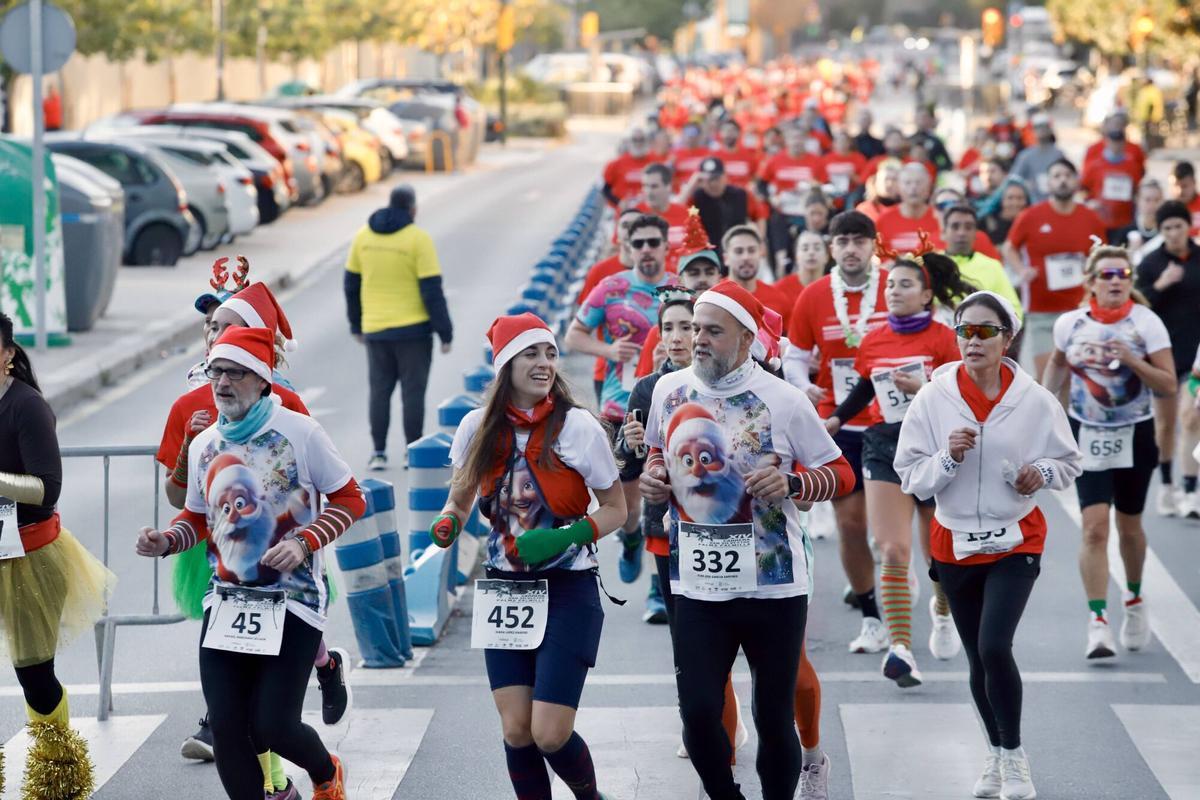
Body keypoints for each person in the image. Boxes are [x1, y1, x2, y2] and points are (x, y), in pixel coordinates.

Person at [641, 280, 856, 800]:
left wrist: (795, 482)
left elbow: (842, 473)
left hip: (773, 585)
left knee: (771, 712)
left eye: (713, 331)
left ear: (745, 337)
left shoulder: (783, 400)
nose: (698, 340)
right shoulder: (669, 391)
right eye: (695, 329)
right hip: (696, 581)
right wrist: (653, 478)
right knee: (696, 711)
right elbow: (654, 453)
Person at [136, 326, 367, 800]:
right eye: (214, 371)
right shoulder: (204, 446)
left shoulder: (300, 433)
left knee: (273, 726)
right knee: (227, 728)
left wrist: (305, 542)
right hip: (226, 603)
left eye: (234, 373)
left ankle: (326, 773)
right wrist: (167, 540)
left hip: (294, 601)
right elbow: (198, 519)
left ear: (262, 379)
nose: (220, 383)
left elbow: (350, 498)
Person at [429, 313, 624, 800]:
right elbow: (460, 496)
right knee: (517, 730)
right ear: (505, 365)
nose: (544, 364)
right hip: (505, 589)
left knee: (550, 733)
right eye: (531, 354)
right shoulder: (477, 426)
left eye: (550, 353)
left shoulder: (578, 427)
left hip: (568, 590)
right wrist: (450, 519)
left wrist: (565, 537)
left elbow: (619, 508)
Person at [895, 291, 1082, 800]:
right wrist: (947, 459)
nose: (972, 341)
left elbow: (1068, 462)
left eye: (984, 331)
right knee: (979, 658)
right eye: (964, 331)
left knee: (996, 645)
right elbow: (910, 477)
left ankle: (1016, 757)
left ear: (1008, 337)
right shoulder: (932, 399)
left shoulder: (1035, 400)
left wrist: (1038, 472)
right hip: (954, 541)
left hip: (1017, 539)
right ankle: (996, 755)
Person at [825, 247, 975, 685]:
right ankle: (900, 649)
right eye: (889, 284)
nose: (894, 291)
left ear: (927, 295)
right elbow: (865, 388)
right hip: (884, 444)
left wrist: (925, 385)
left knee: (939, 554)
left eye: (905, 284)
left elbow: (964, 396)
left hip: (935, 446)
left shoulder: (944, 338)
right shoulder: (872, 338)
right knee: (890, 548)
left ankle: (942, 609)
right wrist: (835, 419)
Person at [0, 312, 113, 799]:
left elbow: (48, 490)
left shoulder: (27, 407)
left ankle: (58, 775)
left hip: (29, 557)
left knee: (35, 677)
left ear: (7, 354)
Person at [1042, 246, 1174, 659]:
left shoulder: (1146, 323)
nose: (1115, 280)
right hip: (1088, 433)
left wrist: (1132, 359)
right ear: (1092, 282)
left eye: (1122, 273)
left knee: (1129, 528)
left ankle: (1133, 599)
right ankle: (1097, 622)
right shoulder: (1071, 323)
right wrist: (1047, 410)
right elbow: (1058, 366)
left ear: (1130, 281)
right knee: (1095, 528)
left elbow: (1168, 384)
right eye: (1107, 274)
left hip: (1134, 432)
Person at [784, 211, 891, 653]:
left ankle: (914, 585)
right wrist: (804, 386)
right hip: (837, 423)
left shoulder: (895, 286)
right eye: (842, 240)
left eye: (859, 240)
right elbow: (794, 356)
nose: (851, 248)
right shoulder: (813, 297)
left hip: (892, 422)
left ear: (873, 245)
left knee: (890, 534)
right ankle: (872, 615)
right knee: (850, 525)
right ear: (832, 247)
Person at [566, 214, 679, 584]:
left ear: (665, 246)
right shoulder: (611, 288)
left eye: (653, 242)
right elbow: (573, 336)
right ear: (628, 248)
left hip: (675, 407)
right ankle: (632, 540)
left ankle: (659, 584)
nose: (646, 250)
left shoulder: (680, 291)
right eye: (638, 244)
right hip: (622, 409)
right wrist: (609, 350)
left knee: (670, 499)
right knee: (630, 506)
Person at [344, 184, 453, 471]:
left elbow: (351, 285)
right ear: (413, 209)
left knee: (379, 391)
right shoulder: (418, 239)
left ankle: (378, 452)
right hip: (414, 331)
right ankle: (411, 450)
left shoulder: (362, 237)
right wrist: (445, 332)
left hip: (376, 331)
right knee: (412, 393)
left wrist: (356, 324)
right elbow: (432, 289)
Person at [1003, 158, 1107, 380]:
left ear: (1076, 181)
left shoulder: (1091, 219)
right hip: (1042, 313)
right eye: (1056, 176)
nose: (1062, 181)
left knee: (1079, 377)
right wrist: (1022, 270)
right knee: (1049, 378)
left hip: (1081, 309)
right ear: (1048, 183)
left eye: (1067, 175)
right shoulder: (1030, 216)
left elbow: (1102, 256)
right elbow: (1009, 247)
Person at [1135, 200, 1200, 517]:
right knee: (1164, 426)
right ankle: (1166, 486)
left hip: (1195, 357)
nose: (1174, 233)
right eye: (1167, 228)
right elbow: (1139, 308)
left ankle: (1190, 490)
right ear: (1160, 232)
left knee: (1191, 418)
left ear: (1188, 226)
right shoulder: (1150, 263)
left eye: (1178, 226)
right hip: (1162, 358)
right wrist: (1162, 284)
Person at [581, 208, 644, 404]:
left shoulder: (661, 273)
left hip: (650, 372)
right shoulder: (601, 271)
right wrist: (609, 351)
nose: (631, 230)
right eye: (625, 225)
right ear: (617, 231)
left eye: (638, 225)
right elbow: (579, 331)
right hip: (608, 375)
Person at [940, 205, 1023, 319]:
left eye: (968, 227)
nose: (961, 233)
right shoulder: (929, 264)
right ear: (943, 232)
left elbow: (1014, 310)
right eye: (955, 227)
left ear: (976, 233)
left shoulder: (992, 267)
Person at [1081, 120, 1145, 238]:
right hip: (1100, 222)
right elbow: (1082, 189)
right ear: (1107, 142)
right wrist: (1089, 202)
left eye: (1119, 142)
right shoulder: (1095, 166)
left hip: (1125, 222)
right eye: (1113, 141)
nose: (1116, 145)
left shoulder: (1132, 166)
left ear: (1124, 143)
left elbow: (1138, 191)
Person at [723, 224, 791, 328]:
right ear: (726, 258)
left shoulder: (779, 299)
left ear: (761, 253)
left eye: (751, 250)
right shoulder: (713, 296)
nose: (746, 257)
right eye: (738, 251)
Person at [687, 157, 758, 253]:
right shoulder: (697, 198)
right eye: (708, 180)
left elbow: (760, 215)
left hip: (736, 249)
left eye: (716, 179)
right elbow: (675, 211)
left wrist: (759, 240)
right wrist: (691, 184)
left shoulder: (740, 194)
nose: (713, 184)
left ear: (725, 177)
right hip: (709, 250)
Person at [1008, 114, 1064, 202]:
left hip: (1054, 202)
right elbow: (1014, 179)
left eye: (1044, 127)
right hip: (1031, 201)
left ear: (1050, 129)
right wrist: (1026, 185)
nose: (1041, 130)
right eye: (1037, 127)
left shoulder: (1058, 154)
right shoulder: (1025, 155)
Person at [636, 163, 691, 249]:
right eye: (645, 186)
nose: (648, 192)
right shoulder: (635, 214)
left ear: (668, 186)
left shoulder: (686, 214)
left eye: (654, 186)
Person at [775, 230, 830, 309]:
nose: (811, 252)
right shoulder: (779, 290)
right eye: (805, 248)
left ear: (827, 257)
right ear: (796, 257)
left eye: (817, 248)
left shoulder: (835, 288)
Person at [602, 126, 654, 207]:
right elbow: (605, 190)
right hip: (621, 211)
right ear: (629, 142)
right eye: (635, 140)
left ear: (646, 141)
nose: (638, 143)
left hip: (648, 210)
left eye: (641, 140)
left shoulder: (654, 162)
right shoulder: (616, 164)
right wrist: (618, 202)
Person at [1111, 178, 1163, 251]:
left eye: (1157, 200)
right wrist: (1131, 251)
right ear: (1137, 200)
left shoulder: (1167, 230)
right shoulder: (1125, 232)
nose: (1152, 205)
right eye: (1147, 200)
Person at [979, 178, 1031, 247]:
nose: (1015, 203)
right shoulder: (986, 222)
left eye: (1020, 198)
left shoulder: (1031, 224)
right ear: (1002, 200)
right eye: (1010, 198)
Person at [1168, 160, 1200, 235]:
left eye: (1184, 186)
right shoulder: (1166, 210)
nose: (1180, 191)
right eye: (1175, 185)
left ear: (1194, 183)